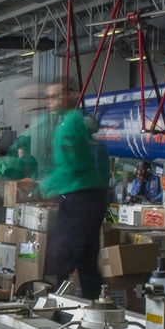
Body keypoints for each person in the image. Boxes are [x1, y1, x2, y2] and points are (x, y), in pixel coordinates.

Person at [39, 84, 108, 299]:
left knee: (65, 257)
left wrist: (42, 186)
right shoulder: (72, 122)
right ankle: (93, 306)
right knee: (86, 260)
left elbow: (71, 166)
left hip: (80, 199)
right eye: (47, 97)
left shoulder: (69, 126)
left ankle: (62, 306)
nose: (48, 102)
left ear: (69, 97)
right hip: (90, 197)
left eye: (54, 97)